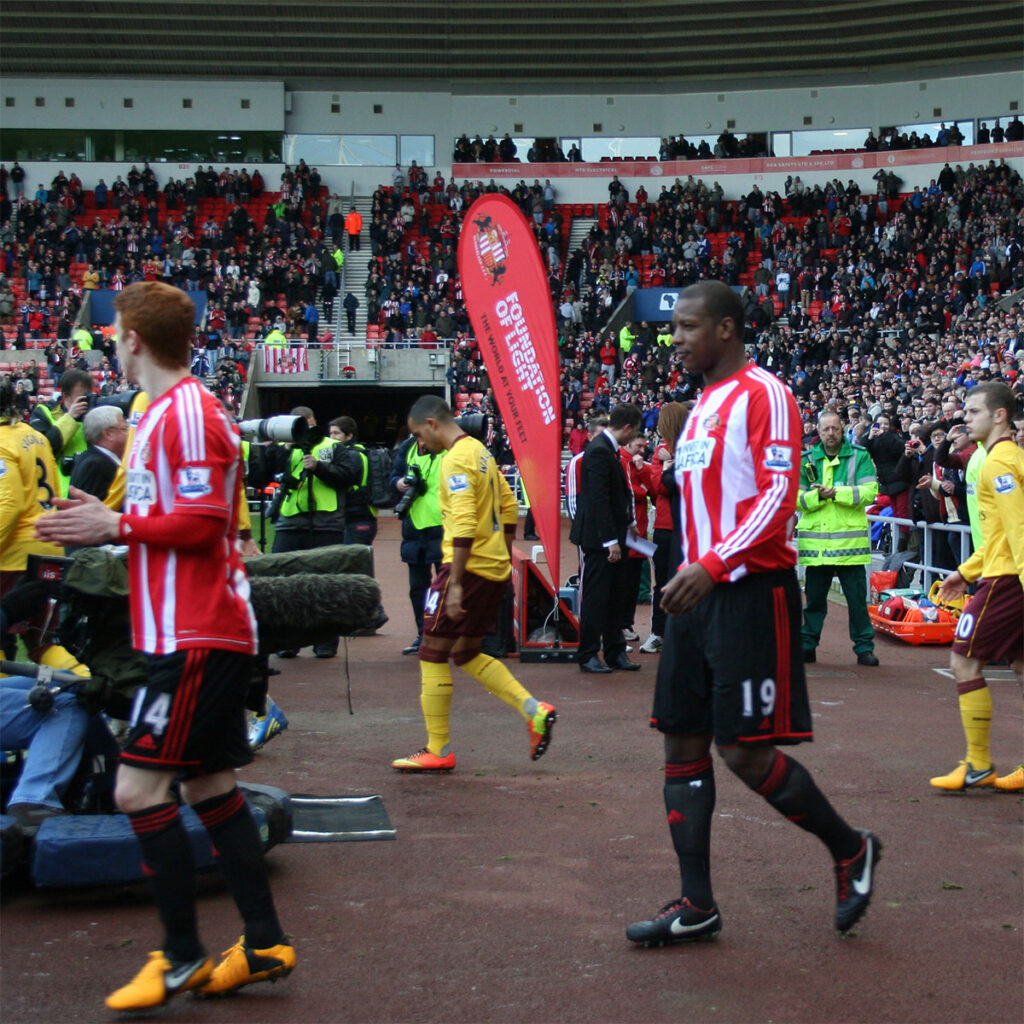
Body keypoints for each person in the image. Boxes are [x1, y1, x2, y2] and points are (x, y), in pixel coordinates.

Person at [35, 281, 294, 1011]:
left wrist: (114, 528)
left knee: (136, 787)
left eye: (116, 334)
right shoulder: (161, 413)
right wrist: (108, 512)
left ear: (133, 342)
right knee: (208, 787)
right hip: (186, 631)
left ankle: (180, 953)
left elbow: (204, 522)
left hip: (197, 634)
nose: (113, 345)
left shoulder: (186, 413)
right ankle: (265, 941)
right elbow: (171, 515)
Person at [627, 281, 880, 947]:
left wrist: (711, 565)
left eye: (687, 327)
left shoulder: (765, 392)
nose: (675, 338)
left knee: (743, 752)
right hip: (696, 596)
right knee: (680, 740)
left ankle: (851, 849)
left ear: (727, 330)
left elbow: (778, 496)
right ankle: (697, 903)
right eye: (673, 328)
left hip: (744, 591)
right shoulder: (701, 406)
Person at [390, 397, 557, 772]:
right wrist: (500, 550)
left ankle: (438, 748)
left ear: (432, 424)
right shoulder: (481, 452)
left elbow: (464, 523)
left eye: (419, 435)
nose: (420, 444)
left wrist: (458, 582)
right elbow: (511, 505)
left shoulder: (455, 458)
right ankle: (534, 710)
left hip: (466, 570)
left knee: (431, 652)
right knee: (465, 653)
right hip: (493, 568)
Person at [932, 383, 1023, 793]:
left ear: (999, 415)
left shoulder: (998, 464)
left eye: (972, 412)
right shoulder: (998, 458)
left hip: (1007, 579)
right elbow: (1001, 534)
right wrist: (966, 571)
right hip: (1001, 569)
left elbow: (1018, 529)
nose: (964, 419)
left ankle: (978, 764)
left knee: (964, 661)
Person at [269, 405, 360, 658]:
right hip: (290, 520)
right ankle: (288, 640)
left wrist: (319, 467)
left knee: (325, 583)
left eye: (305, 423)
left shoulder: (333, 446)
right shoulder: (286, 447)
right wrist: (284, 450)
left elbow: (349, 476)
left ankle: (325, 642)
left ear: (313, 421)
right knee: (284, 585)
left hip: (326, 522)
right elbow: (264, 472)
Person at [797, 410, 880, 666]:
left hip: (849, 547)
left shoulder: (860, 455)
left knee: (857, 603)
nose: (830, 434)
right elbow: (794, 499)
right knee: (814, 602)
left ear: (842, 428)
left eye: (834, 428)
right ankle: (808, 645)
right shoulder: (806, 460)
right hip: (818, 547)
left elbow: (870, 492)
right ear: (818, 432)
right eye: (825, 430)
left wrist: (835, 493)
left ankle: (864, 649)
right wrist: (817, 497)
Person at [570, 402, 643, 673]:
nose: (633, 437)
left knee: (615, 595)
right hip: (600, 539)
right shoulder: (600, 451)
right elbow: (598, 499)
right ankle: (588, 653)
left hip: (613, 533)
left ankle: (614, 651)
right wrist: (609, 540)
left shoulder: (606, 449)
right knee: (596, 597)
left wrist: (628, 523)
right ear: (627, 428)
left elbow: (616, 494)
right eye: (634, 431)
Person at [639, 402, 691, 654]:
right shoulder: (660, 450)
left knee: (683, 581)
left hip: (686, 527)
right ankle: (658, 631)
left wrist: (671, 465)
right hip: (665, 525)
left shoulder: (689, 448)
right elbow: (659, 485)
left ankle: (679, 632)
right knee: (662, 582)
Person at [390, 427, 444, 655]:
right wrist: (400, 483)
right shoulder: (408, 447)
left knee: (448, 585)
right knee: (417, 588)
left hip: (445, 526)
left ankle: (448, 634)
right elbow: (393, 478)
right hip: (414, 527)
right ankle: (424, 635)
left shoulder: (452, 448)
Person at [29, 367, 93, 497]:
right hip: (59, 493)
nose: (86, 401)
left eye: (89, 396)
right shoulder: (44, 413)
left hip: (91, 491)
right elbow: (43, 450)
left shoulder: (94, 414)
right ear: (65, 396)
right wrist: (71, 417)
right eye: (82, 398)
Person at [68, 404, 128, 502]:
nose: (129, 433)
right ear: (108, 434)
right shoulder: (99, 465)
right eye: (125, 428)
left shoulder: (90, 458)